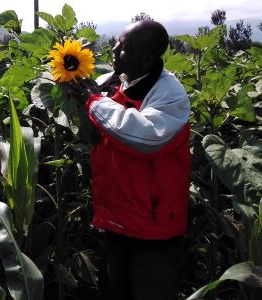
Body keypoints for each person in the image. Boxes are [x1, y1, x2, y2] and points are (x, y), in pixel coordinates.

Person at [69, 20, 191, 300]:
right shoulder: (117, 82)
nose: (113, 49)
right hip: (116, 216)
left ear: (147, 58)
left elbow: (143, 136)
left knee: (151, 290)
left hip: (152, 226)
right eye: (116, 42)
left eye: (123, 48)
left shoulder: (169, 93)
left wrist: (93, 101)